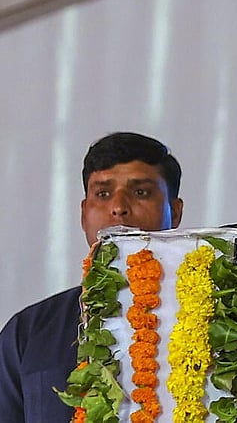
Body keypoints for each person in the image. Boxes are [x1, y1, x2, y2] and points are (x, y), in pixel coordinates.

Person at [0, 132, 184, 422]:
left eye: (141, 192)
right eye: (103, 194)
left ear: (174, 213)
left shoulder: (219, 320)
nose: (119, 207)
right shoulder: (29, 332)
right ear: (84, 214)